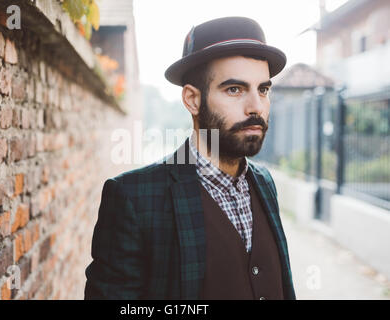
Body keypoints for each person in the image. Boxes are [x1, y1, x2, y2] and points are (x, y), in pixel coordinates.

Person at [84, 16, 296, 300]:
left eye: (263, 89)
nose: (256, 107)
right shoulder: (132, 198)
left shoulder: (265, 183)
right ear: (193, 100)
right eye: (235, 89)